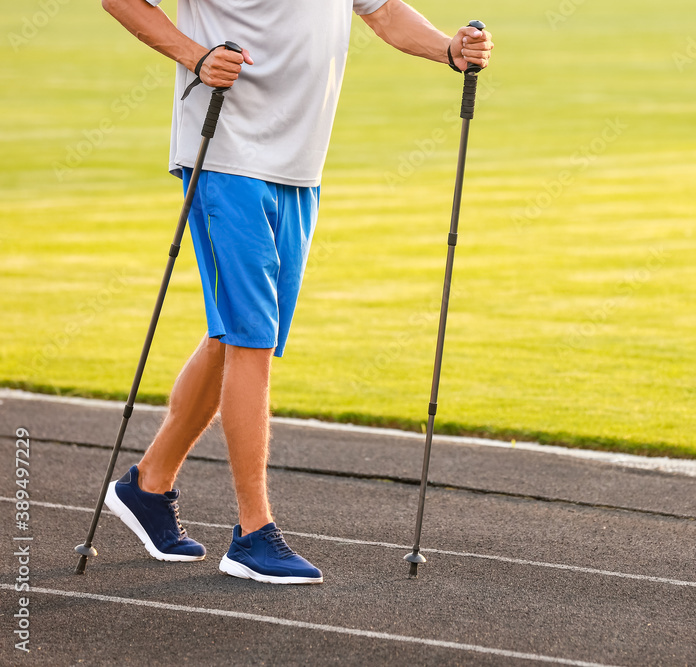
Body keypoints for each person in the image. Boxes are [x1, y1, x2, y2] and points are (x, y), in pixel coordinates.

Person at [99, 0, 494, 584]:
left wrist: (447, 49)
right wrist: (196, 56)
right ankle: (254, 534)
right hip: (226, 155)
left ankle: (148, 486)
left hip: (300, 168)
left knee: (235, 334)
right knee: (252, 339)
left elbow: (383, 12)